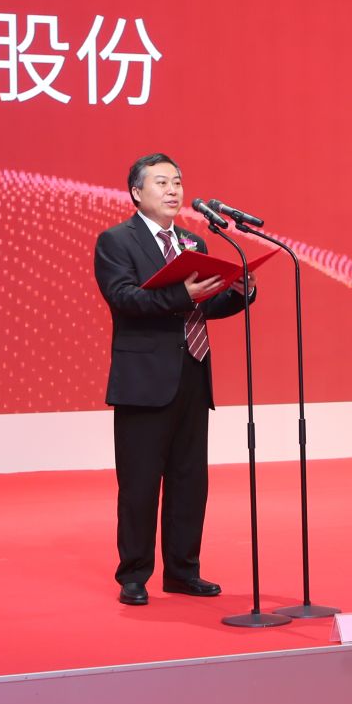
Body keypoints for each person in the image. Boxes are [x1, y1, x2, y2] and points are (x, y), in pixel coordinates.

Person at [93, 153, 254, 606]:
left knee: (189, 481)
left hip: (192, 373)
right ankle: (134, 575)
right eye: (161, 182)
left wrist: (239, 294)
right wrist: (181, 294)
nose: (173, 190)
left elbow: (201, 305)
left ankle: (183, 571)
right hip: (144, 380)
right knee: (140, 483)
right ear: (136, 192)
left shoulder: (191, 242)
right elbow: (124, 299)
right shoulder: (116, 241)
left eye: (177, 182)